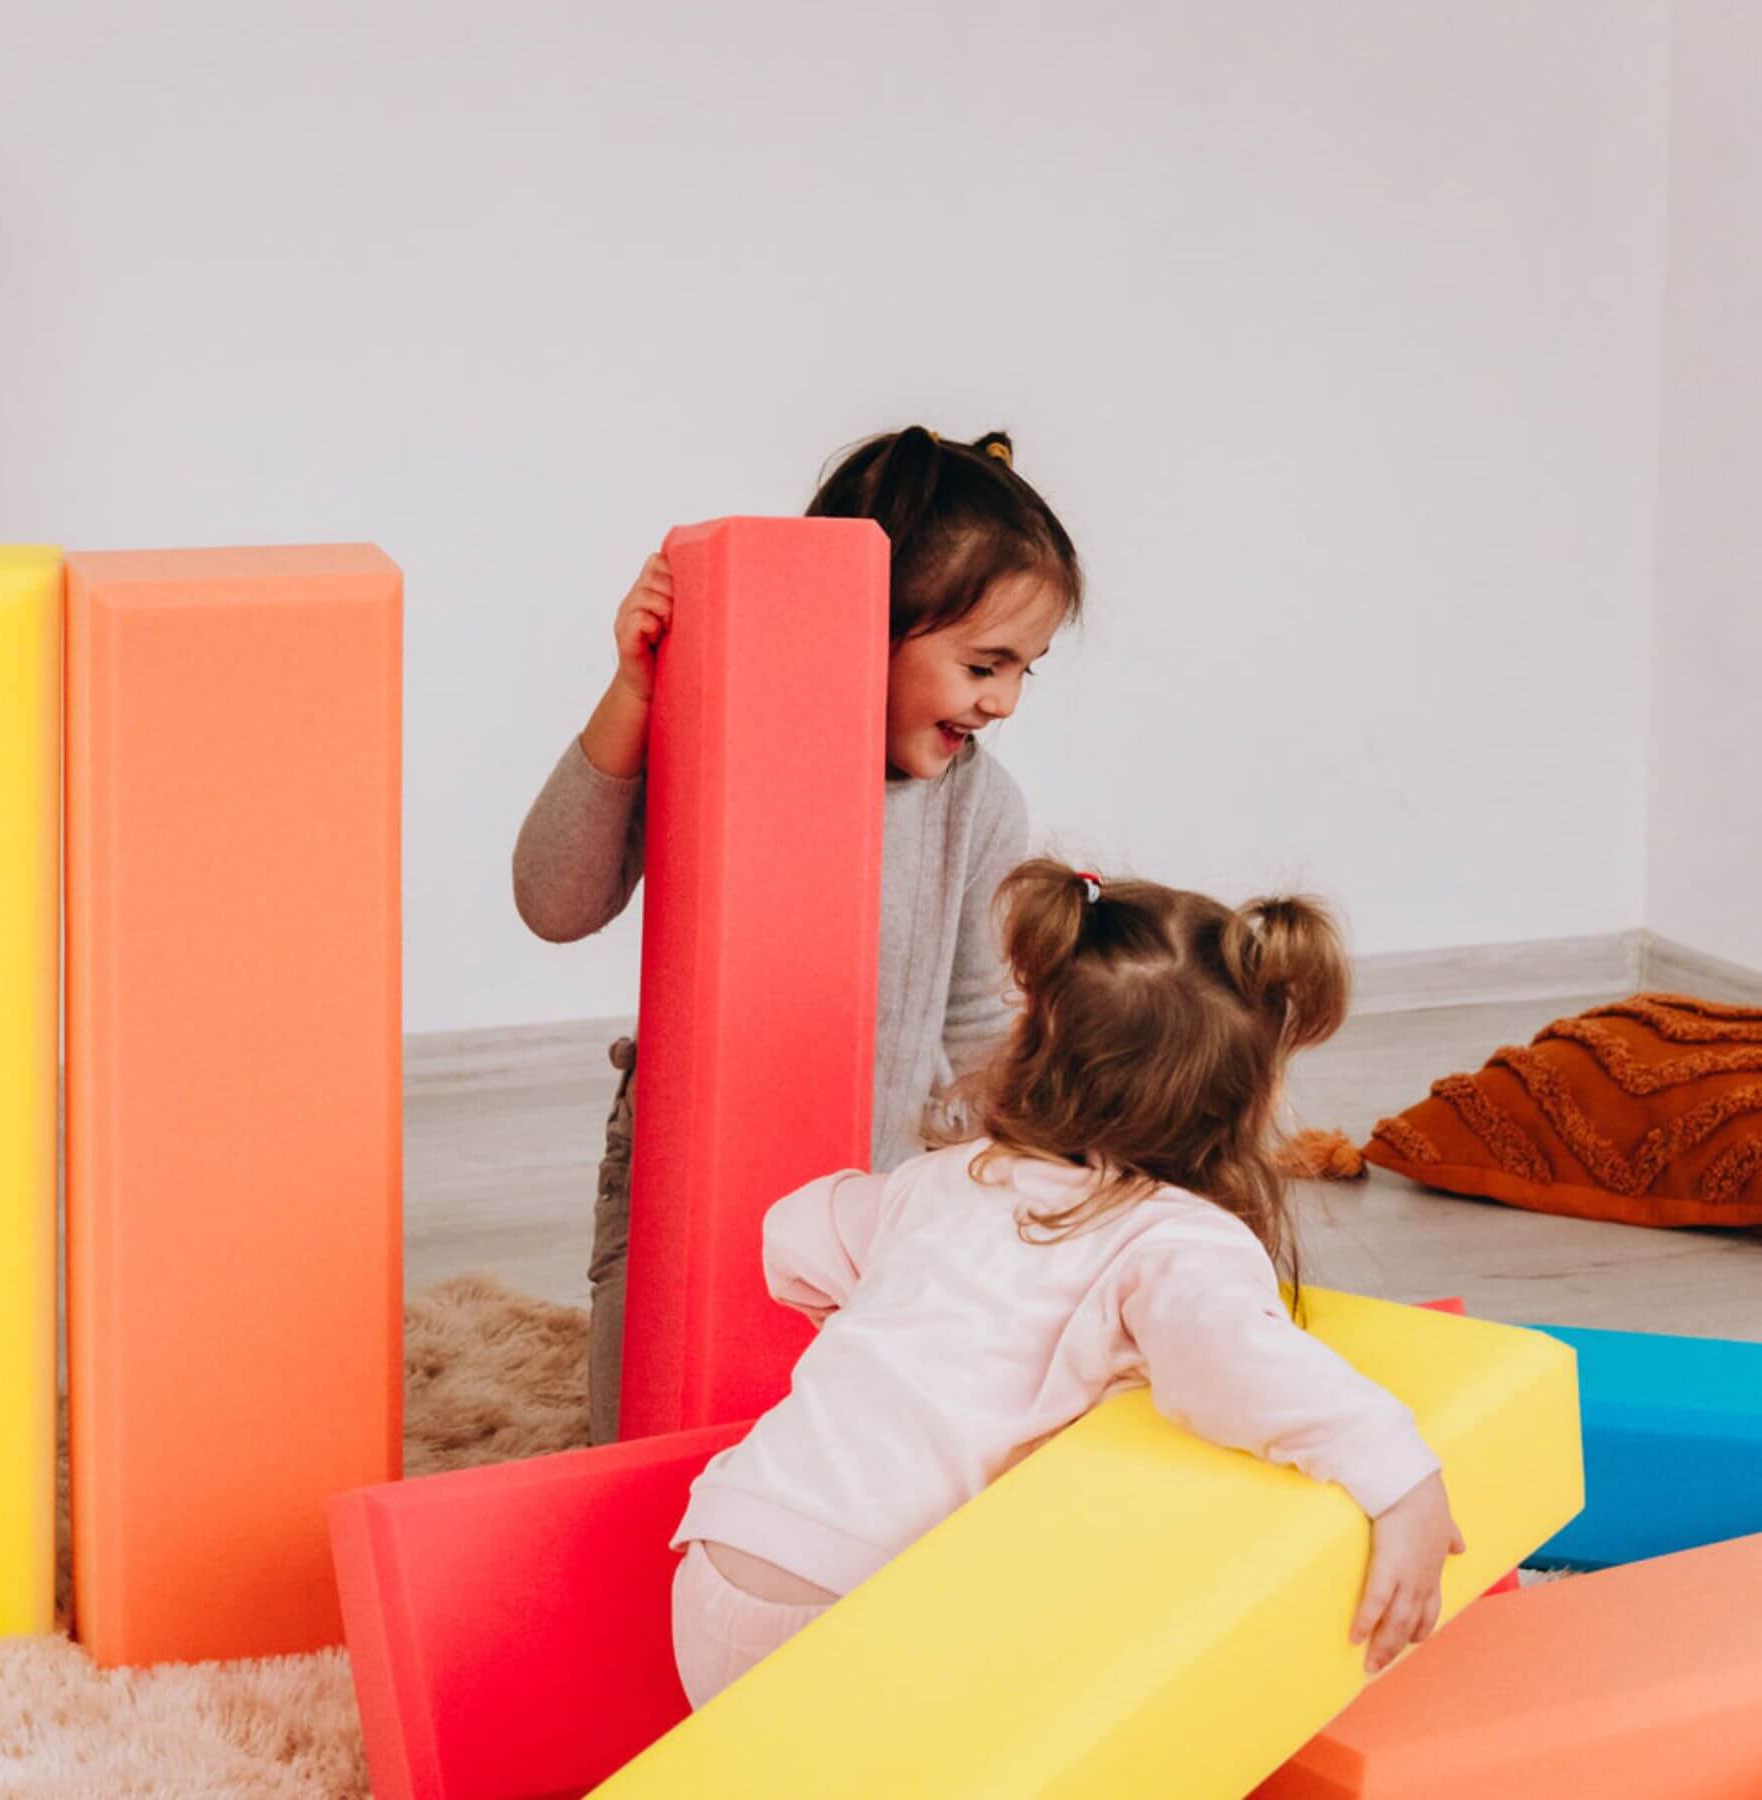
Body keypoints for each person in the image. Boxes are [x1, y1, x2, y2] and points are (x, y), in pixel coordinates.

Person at [669, 860, 1464, 1707]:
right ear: (1243, 1104)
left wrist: (880, 1319)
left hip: (720, 1553)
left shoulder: (953, 1176)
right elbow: (1245, 1367)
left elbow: (793, 1232)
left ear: (1033, 1047)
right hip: (860, 1606)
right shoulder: (1178, 1239)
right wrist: (1402, 1479)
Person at [512, 428, 1083, 1443]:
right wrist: (635, 699)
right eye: (983, 663)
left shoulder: (978, 803)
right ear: (865, 623)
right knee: (652, 1466)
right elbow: (555, 903)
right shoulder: (717, 737)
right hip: (686, 1190)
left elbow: (977, 1019)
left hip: (880, 1203)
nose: (1000, 700)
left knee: (846, 1472)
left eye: (1025, 671)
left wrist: (1033, 1182)